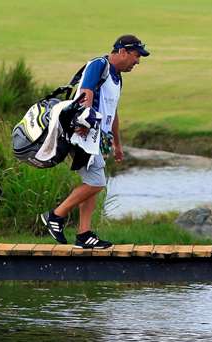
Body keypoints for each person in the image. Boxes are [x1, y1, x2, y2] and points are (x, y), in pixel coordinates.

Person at [40, 36, 149, 249]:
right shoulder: (99, 65)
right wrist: (86, 118)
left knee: (93, 184)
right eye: (136, 56)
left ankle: (84, 234)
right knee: (97, 183)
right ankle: (55, 216)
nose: (137, 62)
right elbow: (86, 91)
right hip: (84, 135)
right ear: (123, 52)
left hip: (100, 138)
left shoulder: (117, 77)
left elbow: (113, 112)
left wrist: (117, 144)